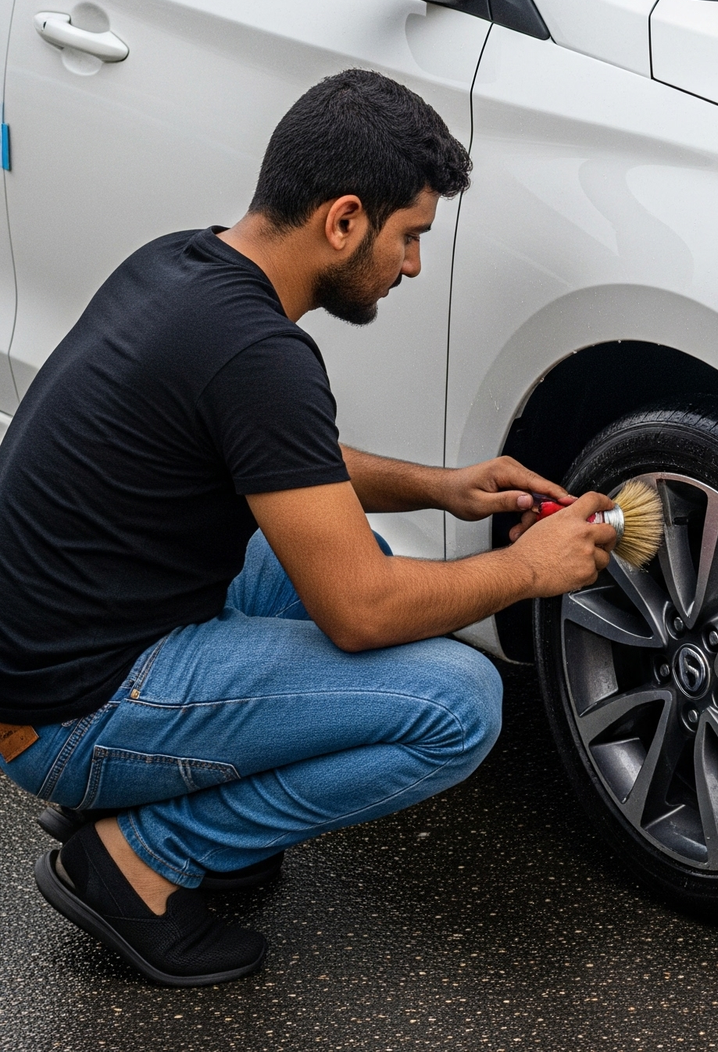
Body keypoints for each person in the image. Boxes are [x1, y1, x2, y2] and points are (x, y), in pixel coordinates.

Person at [0, 69, 617, 987]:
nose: (410, 266)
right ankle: (138, 858)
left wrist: (443, 489)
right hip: (66, 717)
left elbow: (287, 462)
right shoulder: (262, 354)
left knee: (347, 553)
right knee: (458, 703)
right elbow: (359, 616)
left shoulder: (185, 263)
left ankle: (168, 785)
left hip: (59, 652)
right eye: (408, 237)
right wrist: (530, 570)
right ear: (342, 220)